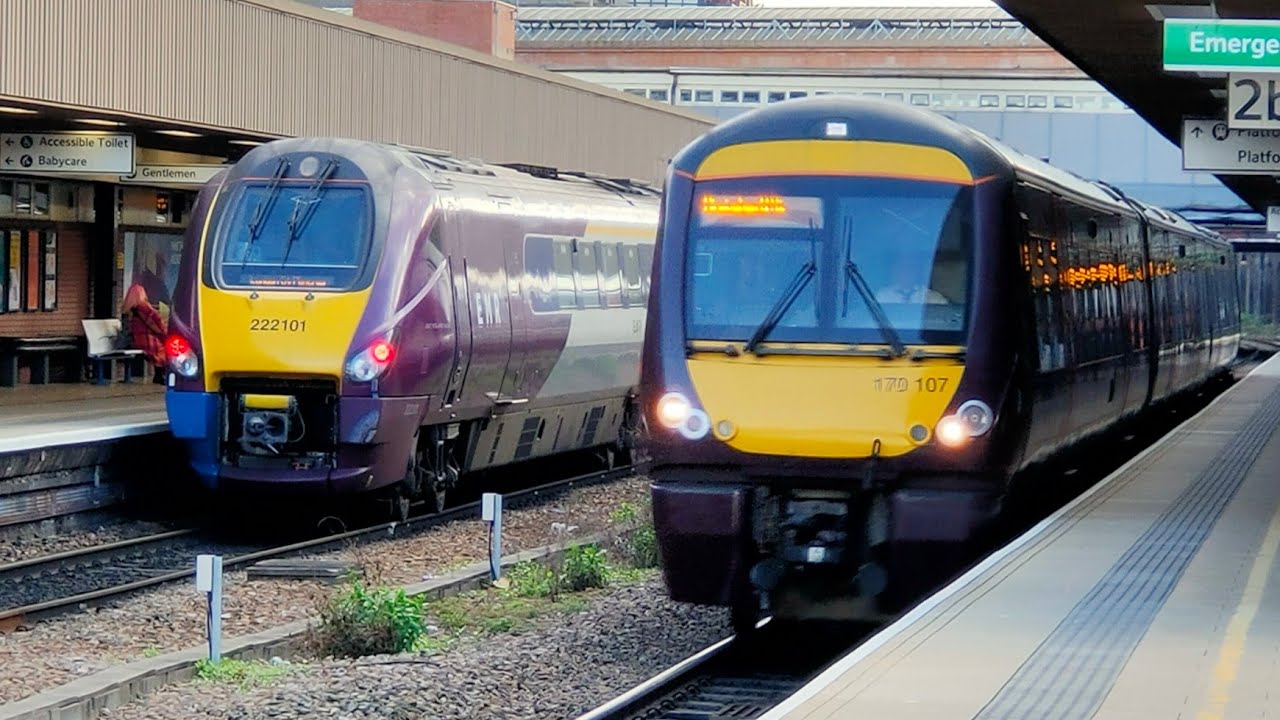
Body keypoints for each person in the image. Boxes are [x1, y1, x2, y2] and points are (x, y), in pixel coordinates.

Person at [121, 283, 168, 384]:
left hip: (136, 340)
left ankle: (159, 375)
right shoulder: (144, 308)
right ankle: (161, 375)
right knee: (165, 348)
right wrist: (165, 332)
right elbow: (156, 323)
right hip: (147, 340)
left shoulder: (128, 310)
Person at [874, 250, 949, 305]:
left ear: (917, 271)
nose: (906, 272)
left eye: (910, 267)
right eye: (901, 267)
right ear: (894, 271)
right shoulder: (882, 296)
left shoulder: (935, 299)